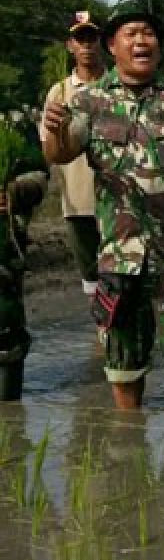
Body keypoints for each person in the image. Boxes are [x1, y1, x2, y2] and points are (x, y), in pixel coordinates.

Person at [42, 6, 164, 415]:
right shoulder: (89, 101)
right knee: (123, 364)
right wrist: (55, 128)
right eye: (131, 33)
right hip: (119, 258)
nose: (141, 41)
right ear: (113, 46)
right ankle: (128, 453)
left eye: (149, 33)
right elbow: (61, 153)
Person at [41, 10, 105, 297]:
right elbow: (49, 149)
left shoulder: (115, 86)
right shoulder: (59, 92)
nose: (87, 45)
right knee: (93, 282)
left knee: (125, 278)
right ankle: (101, 338)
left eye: (91, 38)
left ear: (101, 42)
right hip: (79, 202)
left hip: (122, 201)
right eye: (81, 39)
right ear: (71, 45)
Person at [0, 112, 49, 400]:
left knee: (5, 327)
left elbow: (39, 175)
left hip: (4, 245)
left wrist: (14, 191)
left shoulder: (12, 117)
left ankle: (9, 419)